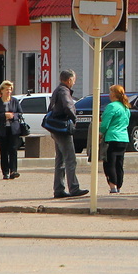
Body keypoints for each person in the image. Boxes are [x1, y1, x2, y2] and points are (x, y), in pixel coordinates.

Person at [49, 70, 87, 198]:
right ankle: (74, 188)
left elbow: (51, 108)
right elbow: (68, 106)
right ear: (69, 80)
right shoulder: (64, 91)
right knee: (70, 159)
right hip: (63, 128)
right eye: (74, 80)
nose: (74, 82)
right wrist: (74, 118)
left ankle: (59, 189)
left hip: (56, 128)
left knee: (60, 160)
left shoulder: (57, 90)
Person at [100, 85, 131, 194]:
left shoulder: (111, 106)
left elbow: (105, 124)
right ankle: (119, 186)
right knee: (119, 163)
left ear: (114, 94)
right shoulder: (125, 107)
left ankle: (113, 186)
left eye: (110, 92)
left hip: (112, 137)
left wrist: (99, 131)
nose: (109, 94)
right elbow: (127, 122)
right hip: (124, 138)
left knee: (109, 163)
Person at [0, 80, 23, 180]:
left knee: (13, 150)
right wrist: (4, 115)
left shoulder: (14, 101)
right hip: (2, 130)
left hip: (14, 129)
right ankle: (5, 172)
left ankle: (13, 171)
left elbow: (20, 113)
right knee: (4, 152)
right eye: (6, 89)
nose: (9, 91)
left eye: (10, 89)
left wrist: (13, 116)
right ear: (1, 91)